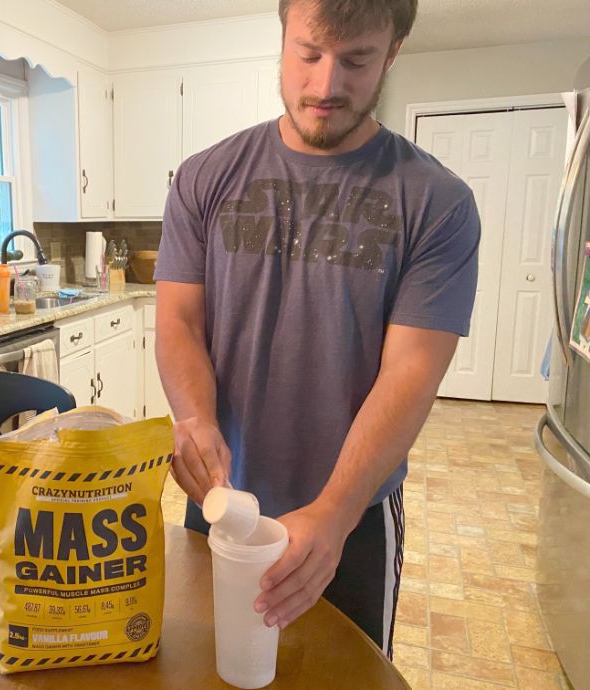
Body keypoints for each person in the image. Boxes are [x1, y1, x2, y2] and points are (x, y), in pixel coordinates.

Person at [153, 0, 480, 658]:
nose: (325, 86)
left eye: (356, 60)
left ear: (391, 54)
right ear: (281, 40)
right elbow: (179, 321)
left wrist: (333, 511)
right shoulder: (203, 179)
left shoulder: (436, 201)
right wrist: (197, 417)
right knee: (206, 669)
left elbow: (412, 371)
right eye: (308, 54)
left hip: (352, 516)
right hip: (224, 501)